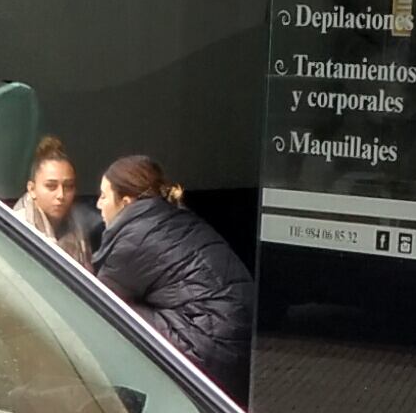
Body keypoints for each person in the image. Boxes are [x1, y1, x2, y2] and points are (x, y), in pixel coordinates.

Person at [89, 154, 252, 394]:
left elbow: (96, 305)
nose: (98, 204)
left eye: (104, 196)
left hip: (209, 348)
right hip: (243, 346)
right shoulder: (172, 218)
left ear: (125, 202)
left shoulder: (135, 238)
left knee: (111, 312)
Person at [14, 134, 100, 265]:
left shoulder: (78, 221)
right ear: (32, 189)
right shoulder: (18, 228)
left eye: (68, 186)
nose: (61, 195)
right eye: (51, 186)